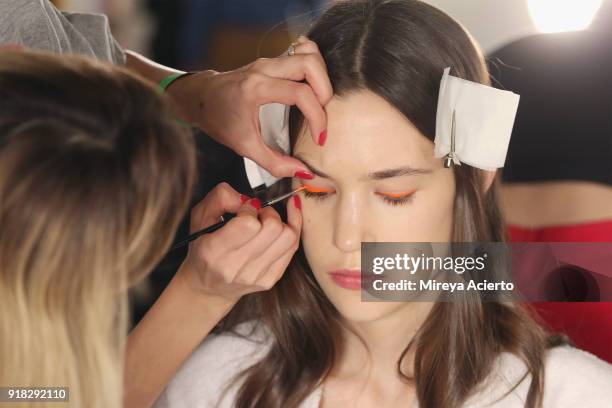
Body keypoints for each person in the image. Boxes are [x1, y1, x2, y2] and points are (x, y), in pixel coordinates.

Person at [155, 1, 612, 407]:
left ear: (477, 177)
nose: (348, 236)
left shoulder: (574, 395)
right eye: (316, 190)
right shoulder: (215, 384)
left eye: (394, 194)